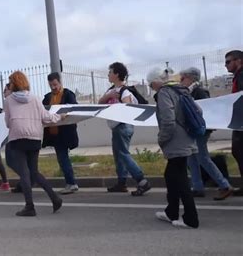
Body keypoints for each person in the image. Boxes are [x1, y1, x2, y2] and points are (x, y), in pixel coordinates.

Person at [4, 71, 65, 216]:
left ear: (14, 83)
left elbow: (7, 123)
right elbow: (46, 118)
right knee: (34, 172)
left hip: (18, 138)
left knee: (24, 173)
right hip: (35, 138)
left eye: (11, 82)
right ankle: (55, 198)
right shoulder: (35, 98)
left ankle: (29, 206)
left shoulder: (9, 100)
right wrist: (60, 117)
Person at [147, 68, 199, 228]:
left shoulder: (164, 92)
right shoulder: (180, 89)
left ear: (155, 82)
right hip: (187, 138)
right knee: (171, 175)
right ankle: (171, 212)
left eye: (150, 84)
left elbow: (168, 121)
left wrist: (162, 139)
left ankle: (191, 219)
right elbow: (198, 110)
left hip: (175, 141)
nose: (151, 87)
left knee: (180, 178)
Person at [179, 67, 233, 200]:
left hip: (200, 130)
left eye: (183, 78)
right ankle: (197, 187)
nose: (181, 81)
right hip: (193, 130)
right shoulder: (189, 92)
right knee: (191, 158)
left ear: (191, 78)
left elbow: (206, 111)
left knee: (202, 157)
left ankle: (224, 185)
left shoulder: (200, 92)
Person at [98, 62, 151, 196]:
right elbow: (100, 103)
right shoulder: (112, 90)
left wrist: (115, 98)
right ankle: (121, 183)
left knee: (123, 154)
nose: (108, 74)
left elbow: (127, 107)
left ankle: (142, 181)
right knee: (118, 155)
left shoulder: (124, 91)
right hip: (117, 127)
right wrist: (109, 96)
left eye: (110, 72)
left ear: (116, 74)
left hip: (123, 126)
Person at [42, 72, 79, 194]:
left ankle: (71, 183)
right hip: (53, 134)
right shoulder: (47, 98)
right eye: (51, 85)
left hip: (65, 133)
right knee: (62, 159)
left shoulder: (68, 95)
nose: (53, 87)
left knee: (63, 159)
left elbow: (74, 109)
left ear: (60, 82)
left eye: (55, 84)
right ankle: (70, 182)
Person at [225, 50, 243, 196]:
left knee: (239, 151)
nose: (226, 65)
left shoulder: (241, 75)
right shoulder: (238, 76)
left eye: (228, 62)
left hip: (241, 122)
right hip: (239, 121)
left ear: (238, 61)